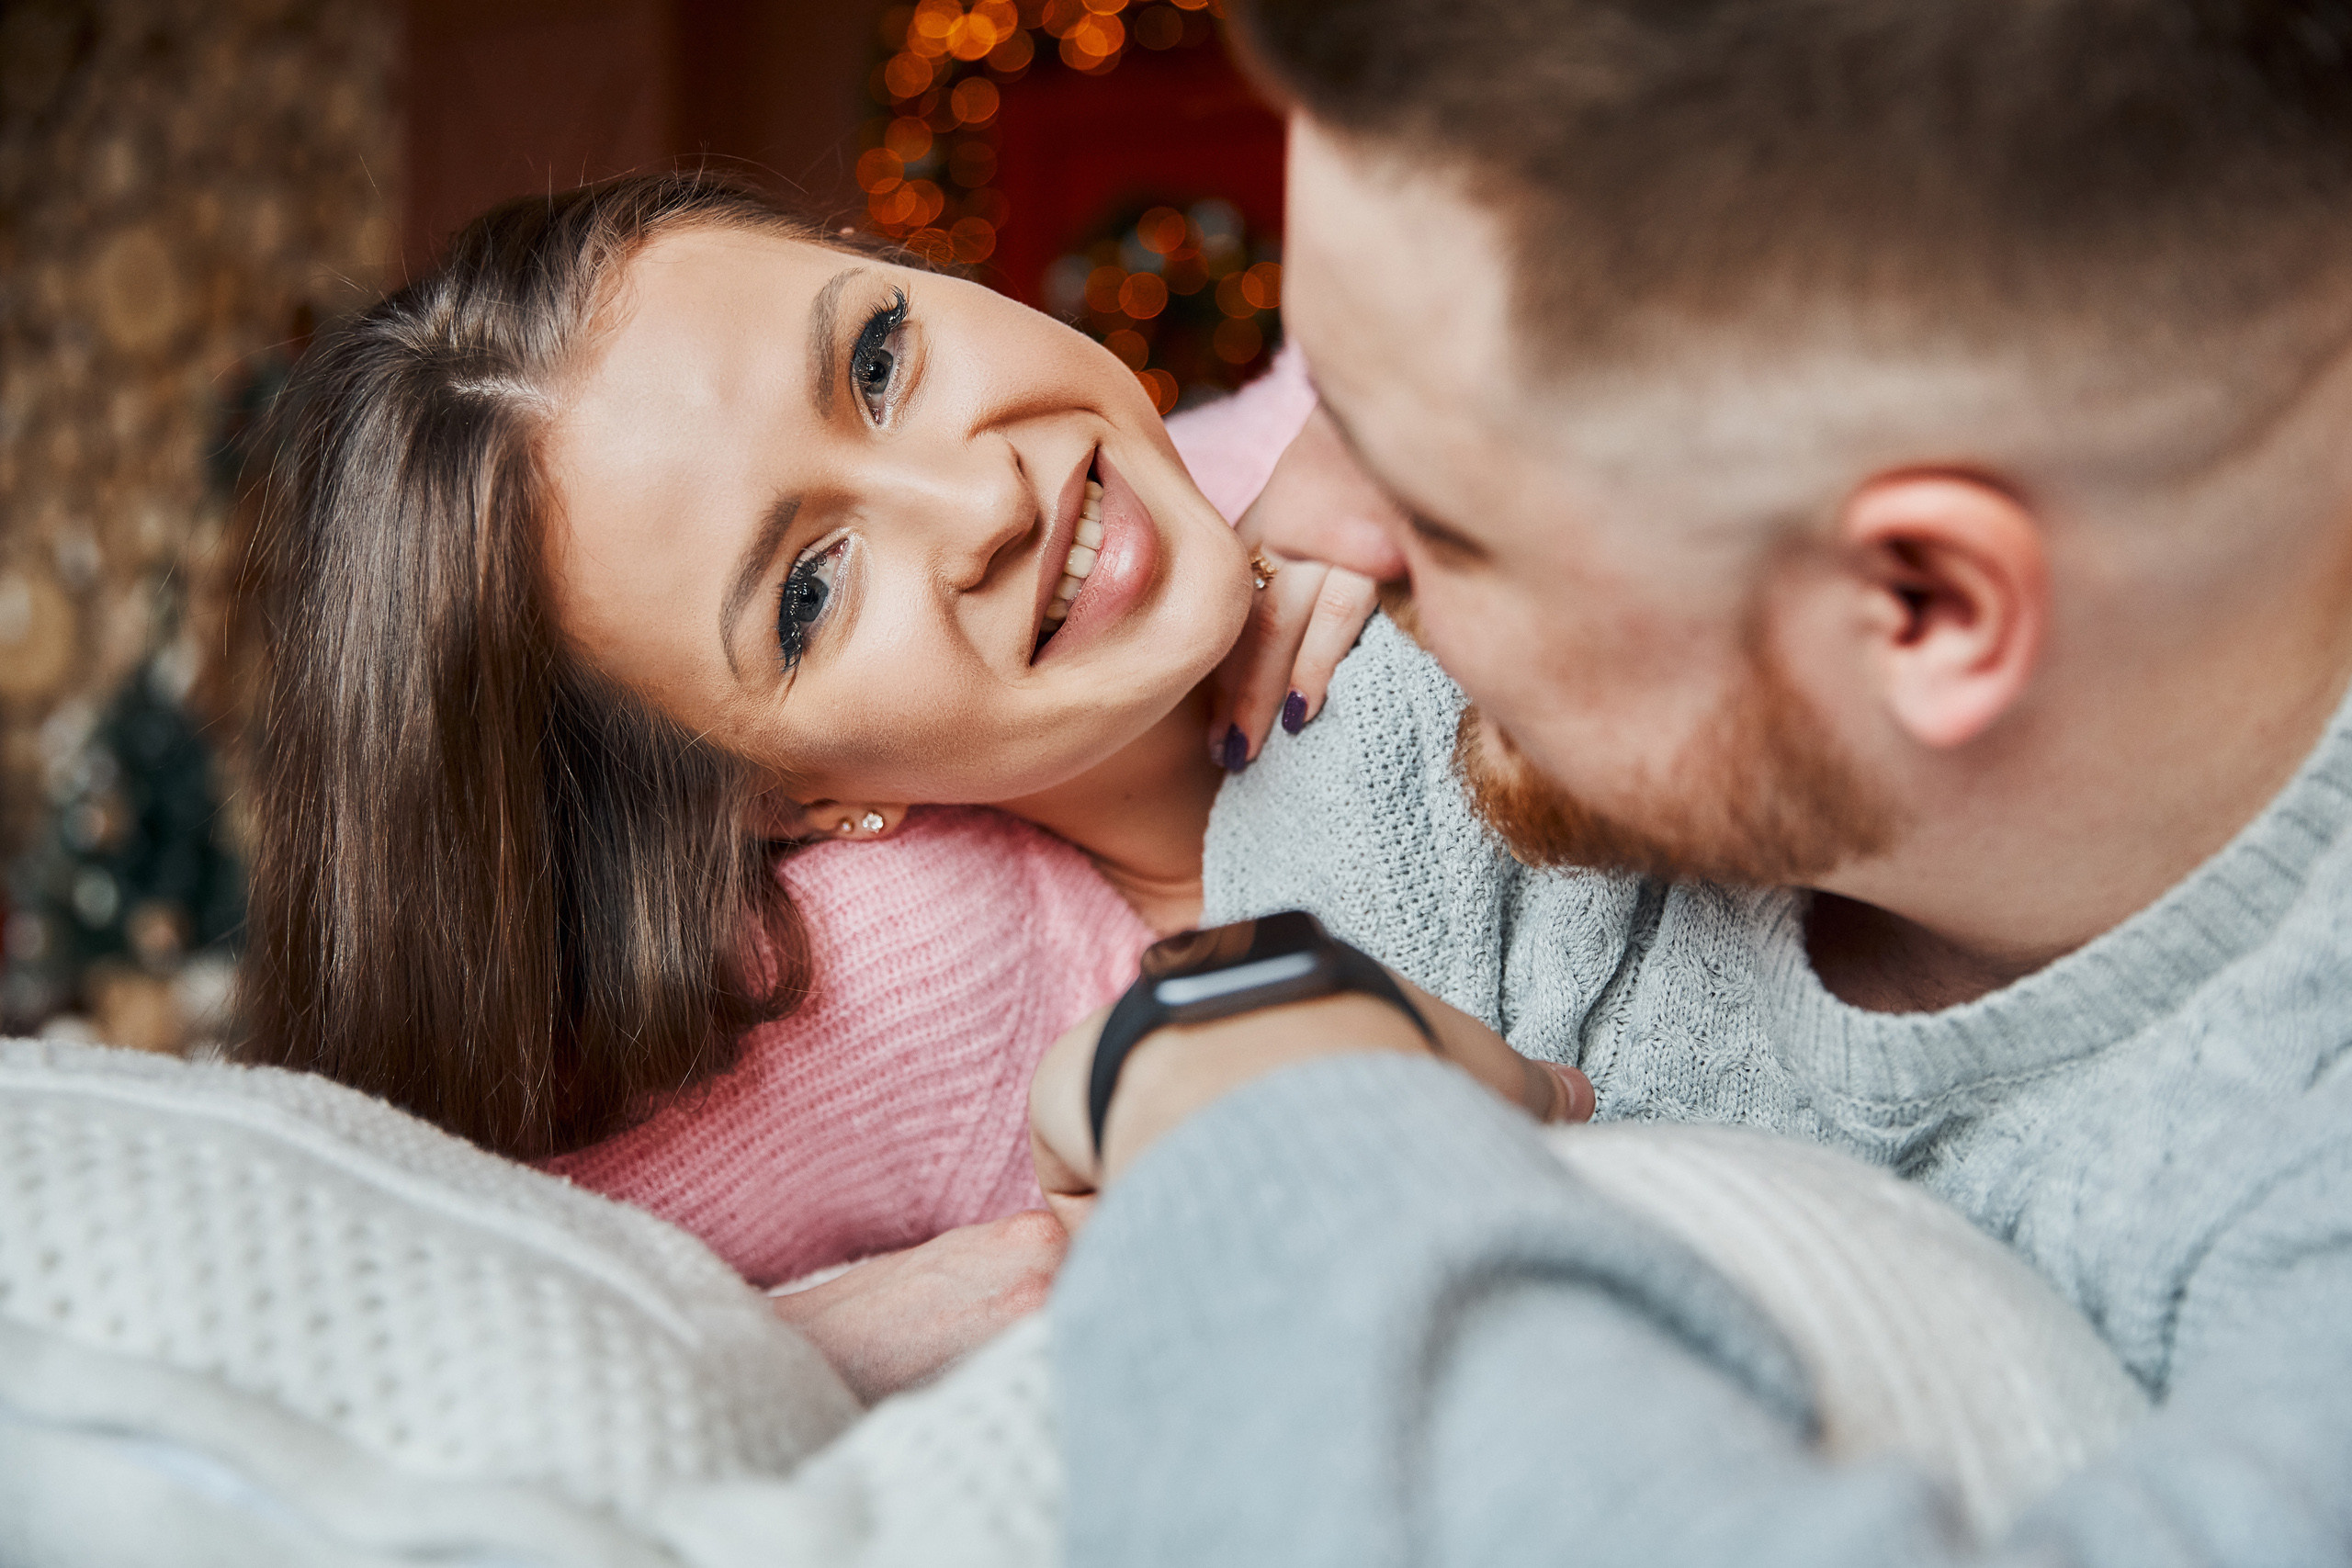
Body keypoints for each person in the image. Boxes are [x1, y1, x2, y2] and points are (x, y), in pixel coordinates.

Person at [1028, 0, 2352, 1562]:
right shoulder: (1423, 773)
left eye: (1442, 513)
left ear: (1919, 604)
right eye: (1329, 405)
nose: (1307, 534)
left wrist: (1261, 1116)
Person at [227, 173, 1582, 1399]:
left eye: (880, 358)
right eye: (806, 596)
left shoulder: (1327, 427)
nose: (980, 500)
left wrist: (1455, 403)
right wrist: (830, 1339)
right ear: (783, 798)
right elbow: (356, 1310)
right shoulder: (896, 975)